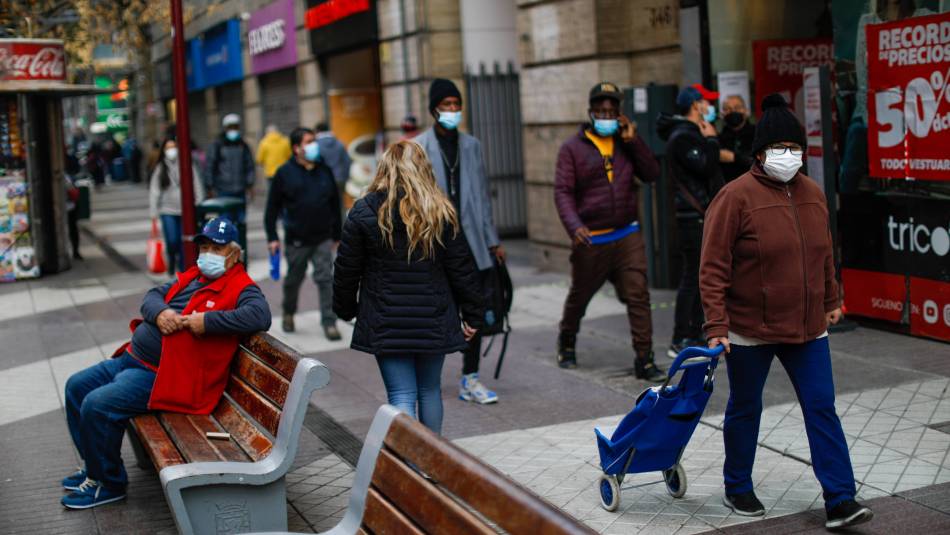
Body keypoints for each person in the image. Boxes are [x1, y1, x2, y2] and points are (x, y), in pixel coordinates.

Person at [700, 94, 873, 529]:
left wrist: (832, 300)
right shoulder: (734, 197)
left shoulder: (813, 194)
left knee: (821, 407)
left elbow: (825, 255)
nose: (789, 156)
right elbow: (713, 266)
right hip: (749, 328)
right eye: (781, 148)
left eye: (796, 148)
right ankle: (737, 485)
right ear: (759, 154)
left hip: (807, 326)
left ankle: (840, 498)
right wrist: (716, 325)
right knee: (745, 407)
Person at [61, 218, 270, 509]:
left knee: (97, 405)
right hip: (132, 360)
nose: (208, 253)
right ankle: (94, 468)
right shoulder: (192, 276)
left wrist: (207, 322)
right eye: (205, 246)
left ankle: (108, 484)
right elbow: (151, 297)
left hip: (164, 376)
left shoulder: (241, 287)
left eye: (217, 248)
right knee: (76, 387)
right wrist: (160, 314)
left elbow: (260, 316)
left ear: (234, 254)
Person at [332, 140, 484, 433]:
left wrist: (346, 309)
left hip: (385, 319)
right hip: (433, 316)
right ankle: (434, 462)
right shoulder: (440, 211)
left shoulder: (364, 212)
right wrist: (473, 314)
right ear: (424, 169)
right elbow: (462, 268)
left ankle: (409, 466)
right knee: (429, 391)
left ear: (385, 168)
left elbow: (346, 270)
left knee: (400, 395)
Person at [554, 82, 665, 382]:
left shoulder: (625, 142)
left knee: (638, 294)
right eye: (601, 111)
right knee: (580, 296)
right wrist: (575, 227)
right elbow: (563, 191)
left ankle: (645, 358)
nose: (606, 116)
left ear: (620, 115)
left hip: (627, 234)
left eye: (612, 111)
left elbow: (652, 173)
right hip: (592, 237)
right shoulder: (572, 149)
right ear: (591, 112)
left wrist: (634, 141)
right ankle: (567, 337)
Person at [417, 78, 504, 404]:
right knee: (436, 310)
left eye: (457, 105)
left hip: (471, 241)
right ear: (434, 109)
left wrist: (492, 241)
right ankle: (429, 378)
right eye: (446, 105)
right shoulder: (419, 147)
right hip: (435, 242)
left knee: (475, 308)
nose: (453, 110)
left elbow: (482, 196)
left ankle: (470, 377)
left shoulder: (472, 145)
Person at [657, 84, 724, 360]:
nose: (709, 108)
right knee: (693, 276)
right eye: (706, 102)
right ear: (695, 105)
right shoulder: (683, 137)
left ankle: (695, 331)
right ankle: (681, 336)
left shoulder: (689, 134)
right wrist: (711, 141)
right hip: (692, 217)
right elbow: (706, 166)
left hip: (698, 216)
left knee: (701, 276)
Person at [265, 127, 342, 340]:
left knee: (326, 279)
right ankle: (289, 312)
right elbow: (271, 209)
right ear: (297, 148)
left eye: (314, 140)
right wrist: (272, 236)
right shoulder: (284, 173)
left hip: (323, 237)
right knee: (293, 280)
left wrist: (338, 234)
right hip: (297, 239)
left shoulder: (324, 170)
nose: (314, 145)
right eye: (309, 141)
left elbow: (336, 204)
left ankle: (329, 321)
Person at [149, 136, 206, 275]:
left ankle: (182, 268)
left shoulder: (186, 164)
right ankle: (172, 259)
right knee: (172, 240)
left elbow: (196, 183)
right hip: (167, 210)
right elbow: (154, 190)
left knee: (183, 242)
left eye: (173, 147)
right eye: (168, 148)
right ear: (164, 150)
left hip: (185, 210)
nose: (171, 150)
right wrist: (153, 212)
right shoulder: (160, 167)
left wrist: (198, 201)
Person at [205, 114, 255, 223]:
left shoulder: (243, 145)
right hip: (223, 190)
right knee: (225, 221)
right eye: (230, 127)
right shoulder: (217, 145)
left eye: (235, 127)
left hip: (240, 190)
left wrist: (250, 184)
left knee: (240, 221)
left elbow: (249, 166)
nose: (233, 130)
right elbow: (210, 165)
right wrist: (210, 186)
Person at [718, 95, 755, 182]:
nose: (733, 111)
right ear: (722, 114)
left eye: (737, 107)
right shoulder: (718, 138)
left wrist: (734, 158)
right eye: (727, 109)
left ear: (746, 111)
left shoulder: (758, 133)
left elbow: (763, 162)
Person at [314, 122, 352, 189]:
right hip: (340, 178)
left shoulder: (315, 145)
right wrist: (346, 177)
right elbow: (347, 161)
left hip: (322, 180)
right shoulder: (339, 143)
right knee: (339, 199)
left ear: (317, 131)